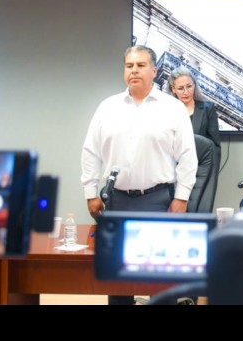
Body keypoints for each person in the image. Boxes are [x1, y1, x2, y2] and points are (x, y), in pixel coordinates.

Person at [81, 44, 199, 305]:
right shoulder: (107, 107)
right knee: (118, 280)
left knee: (159, 280)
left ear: (154, 71)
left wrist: (181, 197)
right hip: (116, 201)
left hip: (158, 201)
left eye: (141, 65)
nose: (134, 70)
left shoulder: (173, 108)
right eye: (129, 66)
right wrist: (90, 192)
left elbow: (188, 157)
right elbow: (90, 152)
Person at [167, 65, 221, 161]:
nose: (186, 92)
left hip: (201, 166)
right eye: (180, 88)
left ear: (194, 85)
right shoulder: (167, 111)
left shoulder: (208, 108)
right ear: (173, 89)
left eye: (189, 86)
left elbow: (215, 147)